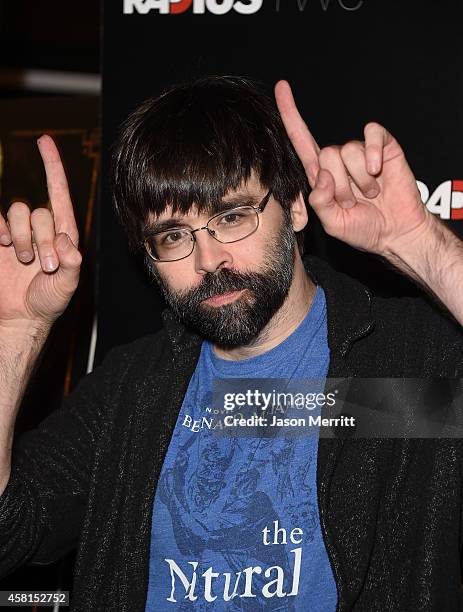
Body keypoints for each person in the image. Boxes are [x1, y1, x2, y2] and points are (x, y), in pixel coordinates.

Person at [0, 76, 462, 612]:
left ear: (292, 208)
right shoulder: (130, 392)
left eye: (232, 216)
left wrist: (418, 242)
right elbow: (12, 533)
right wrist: (15, 330)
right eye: (174, 235)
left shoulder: (401, 363)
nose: (208, 261)